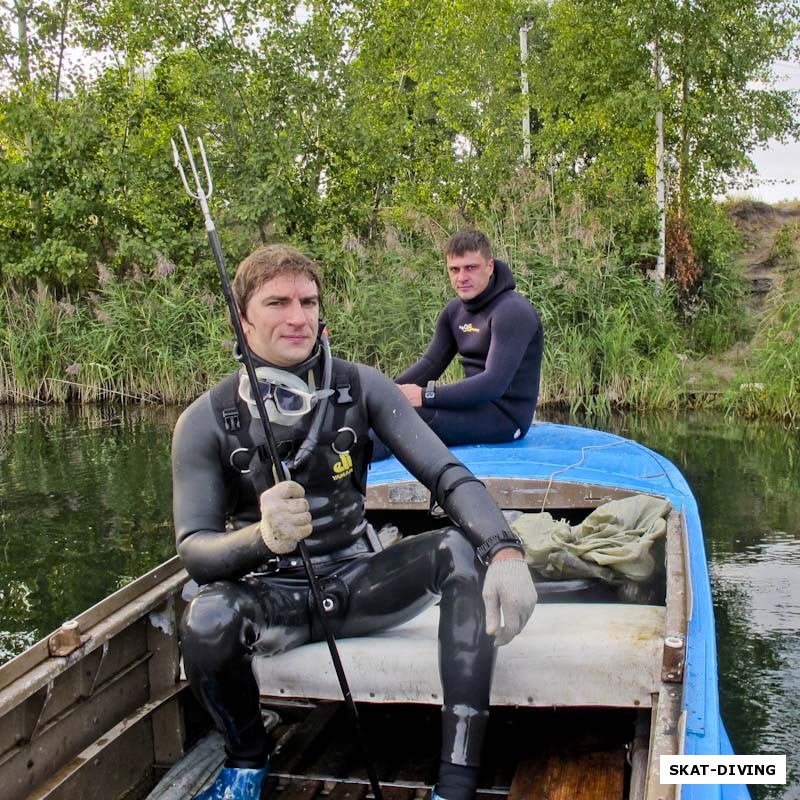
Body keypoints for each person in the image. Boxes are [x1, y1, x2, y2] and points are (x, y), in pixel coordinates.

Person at [172, 244, 538, 800]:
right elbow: (195, 550)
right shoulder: (204, 420)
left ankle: (456, 783)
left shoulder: (362, 386)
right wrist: (261, 537)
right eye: (277, 303)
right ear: (243, 320)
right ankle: (246, 761)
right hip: (270, 595)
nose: (298, 317)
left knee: (458, 550)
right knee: (205, 619)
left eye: (308, 301)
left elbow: (446, 474)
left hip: (358, 580)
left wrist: (504, 549)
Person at [379, 229, 543, 459]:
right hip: (472, 407)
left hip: (505, 419)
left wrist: (425, 396)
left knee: (402, 421)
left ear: (490, 267)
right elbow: (430, 365)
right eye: (454, 269)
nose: (462, 277)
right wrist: (383, 392)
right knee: (379, 413)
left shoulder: (512, 312)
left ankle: (344, 480)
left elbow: (493, 384)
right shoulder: (454, 312)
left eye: (471, 267)